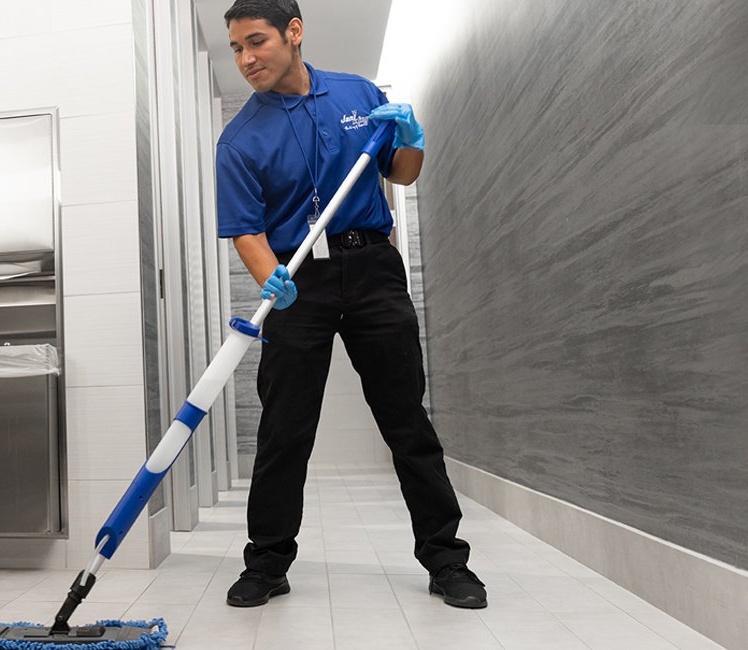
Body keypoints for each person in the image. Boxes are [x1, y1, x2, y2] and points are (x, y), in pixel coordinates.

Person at [214, 0, 486, 610]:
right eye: (236, 49)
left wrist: (413, 138)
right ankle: (267, 562)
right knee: (285, 429)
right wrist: (272, 280)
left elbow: (404, 173)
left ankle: (446, 560)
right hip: (296, 278)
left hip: (372, 268)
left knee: (405, 419)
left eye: (255, 42)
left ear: (295, 32)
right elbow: (246, 231)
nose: (246, 59)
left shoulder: (356, 94)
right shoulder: (238, 140)